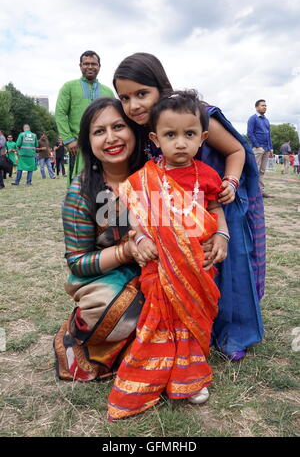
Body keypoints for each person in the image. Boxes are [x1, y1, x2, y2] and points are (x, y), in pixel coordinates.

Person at [113, 52, 265, 361]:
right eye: (125, 98)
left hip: (214, 200)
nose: (134, 105)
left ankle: (231, 333)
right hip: (175, 217)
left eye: (142, 93)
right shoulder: (145, 130)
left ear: (161, 86)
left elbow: (236, 150)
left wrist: (230, 183)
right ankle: (193, 331)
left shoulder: (196, 113)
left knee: (224, 267)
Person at [108, 90, 229, 420]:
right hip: (159, 266)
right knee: (159, 319)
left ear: (202, 137)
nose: (180, 143)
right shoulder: (145, 178)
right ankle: (154, 374)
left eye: (189, 134)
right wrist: (140, 236)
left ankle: (189, 378)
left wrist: (222, 234)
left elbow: (215, 208)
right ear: (155, 138)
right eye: (170, 135)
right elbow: (133, 213)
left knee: (190, 323)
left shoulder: (206, 175)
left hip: (197, 265)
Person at [53, 97, 147, 381]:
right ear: (88, 142)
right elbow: (78, 263)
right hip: (103, 277)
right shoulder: (81, 192)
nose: (111, 138)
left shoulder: (155, 174)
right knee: (117, 312)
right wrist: (126, 252)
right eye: (99, 131)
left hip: (156, 268)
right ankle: (81, 331)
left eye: (118, 126)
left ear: (133, 130)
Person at [55, 50, 115, 186]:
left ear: (99, 66)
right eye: (86, 63)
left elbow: (114, 117)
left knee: (105, 182)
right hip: (78, 146)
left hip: (104, 144)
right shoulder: (69, 87)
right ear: (80, 66)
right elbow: (60, 113)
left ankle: (103, 207)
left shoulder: (108, 91)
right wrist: (69, 140)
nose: (90, 67)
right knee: (79, 185)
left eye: (93, 64)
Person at [247, 100, 274, 198]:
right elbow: (250, 133)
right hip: (257, 148)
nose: (265, 107)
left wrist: (271, 148)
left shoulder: (266, 120)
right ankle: (252, 191)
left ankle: (261, 191)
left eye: (266, 106)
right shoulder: (253, 119)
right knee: (253, 170)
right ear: (256, 107)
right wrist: (258, 146)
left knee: (262, 171)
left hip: (267, 149)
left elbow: (269, 135)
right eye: (263, 105)